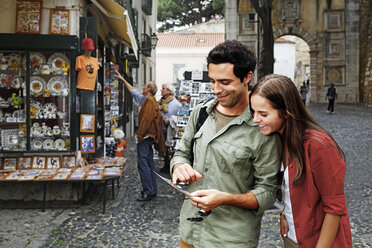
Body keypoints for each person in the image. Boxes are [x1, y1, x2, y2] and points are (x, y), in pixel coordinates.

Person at [171, 40, 282, 247]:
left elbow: (268, 192)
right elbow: (181, 153)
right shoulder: (201, 113)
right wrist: (179, 166)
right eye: (212, 81)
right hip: (190, 231)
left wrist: (225, 198)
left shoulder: (263, 126)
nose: (216, 89)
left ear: (247, 77)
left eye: (224, 82)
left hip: (231, 238)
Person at [250, 74, 352, 247]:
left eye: (263, 114)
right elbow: (289, 187)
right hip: (292, 237)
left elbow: (335, 209)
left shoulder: (318, 145)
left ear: (286, 112)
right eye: (254, 112)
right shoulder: (278, 139)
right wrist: (285, 211)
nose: (255, 119)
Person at [115, 71, 166, 201]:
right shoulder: (148, 100)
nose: (142, 87)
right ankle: (152, 189)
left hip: (146, 137)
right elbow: (133, 91)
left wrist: (140, 135)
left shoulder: (148, 101)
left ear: (148, 89)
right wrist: (123, 80)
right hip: (148, 137)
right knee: (149, 163)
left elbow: (146, 120)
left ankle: (148, 191)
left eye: (145, 86)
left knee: (143, 164)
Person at [158, 84, 181, 173]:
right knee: (163, 148)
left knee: (169, 148)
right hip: (161, 129)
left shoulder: (176, 104)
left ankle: (170, 165)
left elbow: (180, 117)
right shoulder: (160, 102)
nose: (161, 90)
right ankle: (166, 164)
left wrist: (170, 120)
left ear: (169, 91)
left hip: (170, 130)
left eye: (163, 89)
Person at [75, 37, 100, 115]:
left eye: (91, 49)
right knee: (83, 112)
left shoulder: (95, 60)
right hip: (82, 87)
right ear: (83, 48)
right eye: (88, 49)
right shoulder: (80, 58)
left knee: (90, 113)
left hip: (92, 88)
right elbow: (77, 68)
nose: (90, 51)